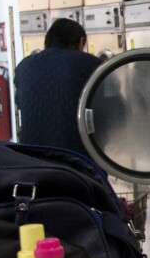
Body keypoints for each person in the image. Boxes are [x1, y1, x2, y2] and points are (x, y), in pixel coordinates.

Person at [12, 18, 99, 156]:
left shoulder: (23, 66)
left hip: (32, 159)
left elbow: (20, 103)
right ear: (81, 42)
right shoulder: (91, 64)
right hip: (77, 161)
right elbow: (112, 109)